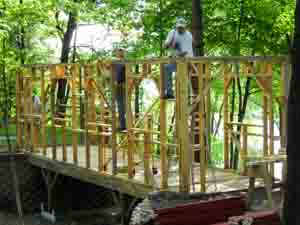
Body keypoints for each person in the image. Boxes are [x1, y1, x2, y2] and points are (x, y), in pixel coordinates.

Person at [163, 18, 194, 99]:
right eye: (179, 27)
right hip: (176, 60)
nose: (180, 29)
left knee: (183, 77)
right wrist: (168, 44)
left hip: (186, 61)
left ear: (185, 27)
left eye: (182, 28)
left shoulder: (188, 35)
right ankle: (169, 92)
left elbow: (185, 53)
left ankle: (187, 98)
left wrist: (176, 53)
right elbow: (165, 46)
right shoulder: (172, 33)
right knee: (166, 68)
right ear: (176, 27)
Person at [113, 48, 127, 131]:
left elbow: (127, 73)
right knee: (120, 105)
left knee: (123, 105)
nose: (120, 54)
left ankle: (123, 125)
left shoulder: (124, 62)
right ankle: (122, 125)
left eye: (121, 53)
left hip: (123, 85)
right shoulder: (115, 62)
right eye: (118, 52)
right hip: (117, 85)